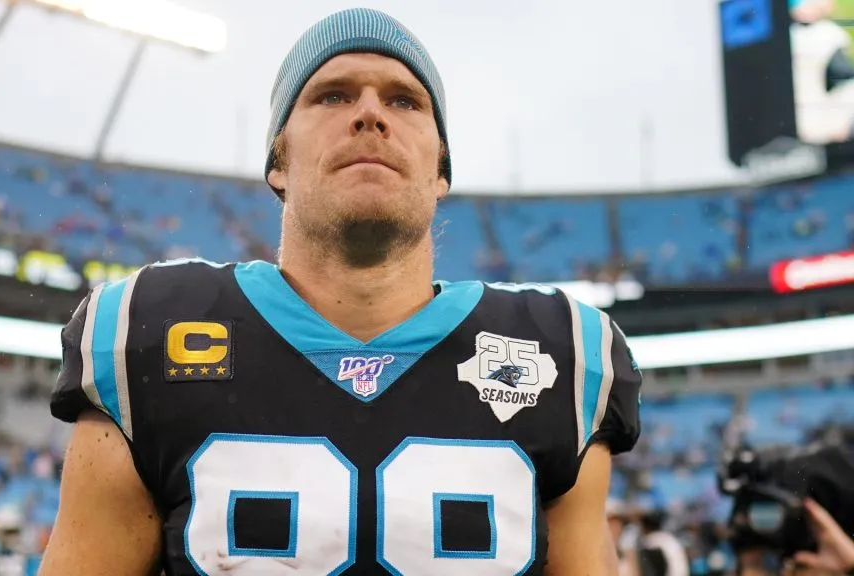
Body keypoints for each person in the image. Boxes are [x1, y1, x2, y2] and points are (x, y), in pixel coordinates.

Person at [41, 7, 642, 575]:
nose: (370, 114)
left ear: (441, 173)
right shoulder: (147, 331)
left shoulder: (561, 354)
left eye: (405, 100)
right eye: (333, 94)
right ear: (278, 158)